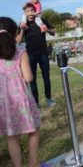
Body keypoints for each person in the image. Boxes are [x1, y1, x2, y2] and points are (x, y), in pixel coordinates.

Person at [0, 17, 41, 167]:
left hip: (4, 103)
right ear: (13, 33)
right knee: (34, 130)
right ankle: (33, 163)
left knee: (12, 137)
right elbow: (29, 78)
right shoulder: (20, 52)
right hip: (22, 100)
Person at [16, 3, 56, 108]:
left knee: (46, 77)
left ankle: (49, 99)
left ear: (34, 11)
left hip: (43, 53)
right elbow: (18, 41)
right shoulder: (23, 24)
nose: (30, 13)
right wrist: (22, 30)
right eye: (27, 11)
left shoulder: (41, 21)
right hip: (31, 55)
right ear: (25, 13)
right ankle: (36, 103)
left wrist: (47, 29)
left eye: (31, 10)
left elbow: (54, 33)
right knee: (32, 80)